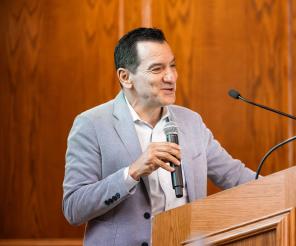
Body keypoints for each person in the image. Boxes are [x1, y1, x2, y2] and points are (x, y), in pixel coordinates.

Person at [62, 27, 255, 246]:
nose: (171, 77)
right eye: (157, 69)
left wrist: (293, 191)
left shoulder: (191, 122)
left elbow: (236, 176)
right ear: (125, 77)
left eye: (172, 66)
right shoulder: (92, 124)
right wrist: (131, 173)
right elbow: (74, 208)